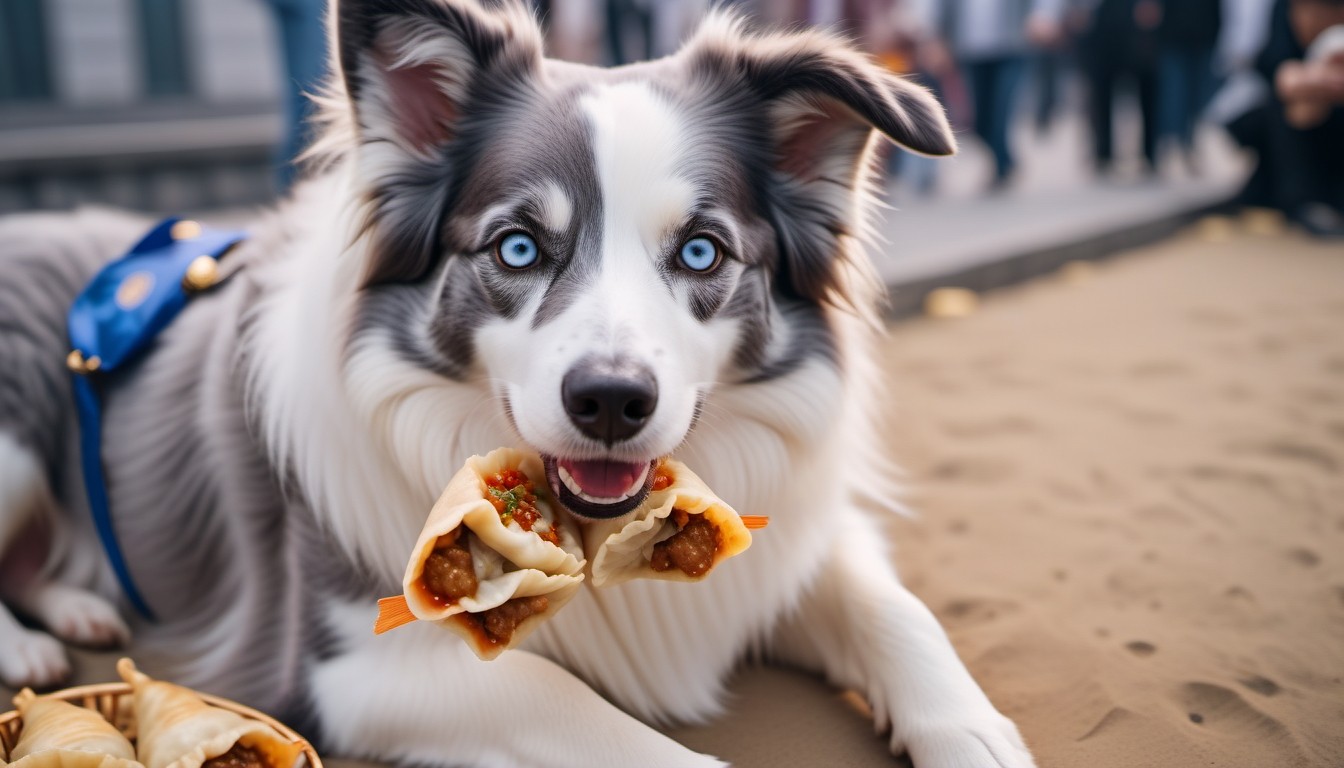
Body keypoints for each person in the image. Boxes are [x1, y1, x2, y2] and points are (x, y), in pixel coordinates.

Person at [916, 0, 1067, 191]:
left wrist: (1044, 16)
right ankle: (1005, 159)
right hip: (969, 49)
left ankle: (1001, 168)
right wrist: (931, 37)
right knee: (978, 121)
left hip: (1012, 45)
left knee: (1001, 109)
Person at [1078, 0, 1162, 176]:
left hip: (1136, 17)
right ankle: (1103, 153)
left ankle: (1149, 153)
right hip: (1100, 20)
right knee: (1101, 90)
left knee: (1147, 88)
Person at [1156, 0, 1222, 171]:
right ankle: (1174, 143)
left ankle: (1187, 143)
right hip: (1178, 34)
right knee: (1175, 95)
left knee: (1194, 96)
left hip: (1200, 32)